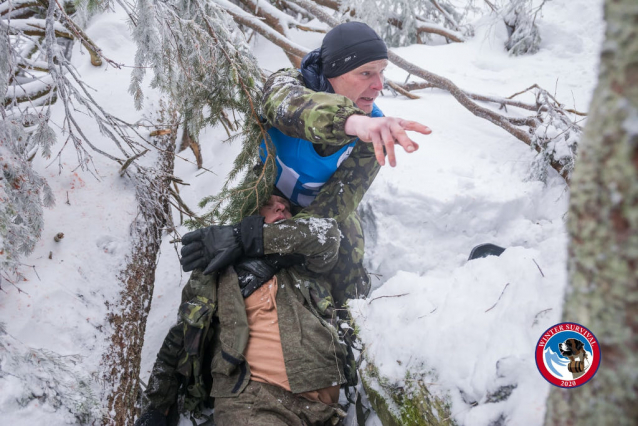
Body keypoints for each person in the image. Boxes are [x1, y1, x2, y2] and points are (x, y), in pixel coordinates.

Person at [257, 21, 432, 307]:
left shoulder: (373, 131)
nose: (378, 85)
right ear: (334, 72)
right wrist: (350, 122)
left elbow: (333, 206)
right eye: (366, 73)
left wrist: (283, 242)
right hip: (263, 195)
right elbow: (289, 107)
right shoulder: (287, 85)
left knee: (347, 254)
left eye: (381, 72)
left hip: (315, 207)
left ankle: (350, 323)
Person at [137, 194, 349, 426]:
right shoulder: (213, 275)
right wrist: (157, 407)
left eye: (287, 208)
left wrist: (243, 236)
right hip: (251, 398)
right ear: (248, 213)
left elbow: (327, 233)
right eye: (269, 204)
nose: (280, 208)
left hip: (319, 395)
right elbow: (180, 339)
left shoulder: (304, 261)